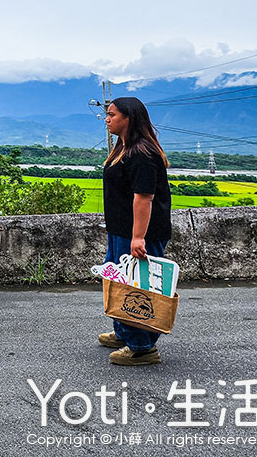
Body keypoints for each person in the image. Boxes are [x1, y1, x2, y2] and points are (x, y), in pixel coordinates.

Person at [100, 97, 173, 366]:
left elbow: (144, 197)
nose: (107, 119)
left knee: (139, 289)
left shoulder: (141, 153)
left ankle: (142, 347)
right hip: (121, 230)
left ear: (128, 118)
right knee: (119, 282)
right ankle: (124, 332)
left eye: (112, 115)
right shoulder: (124, 147)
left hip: (140, 232)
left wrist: (138, 237)